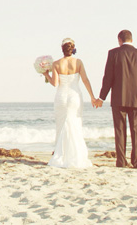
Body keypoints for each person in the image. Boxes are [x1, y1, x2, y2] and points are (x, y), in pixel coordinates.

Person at [42, 38, 100, 168]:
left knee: (62, 125)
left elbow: (55, 83)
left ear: (62, 49)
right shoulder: (78, 62)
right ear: (72, 49)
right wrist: (92, 97)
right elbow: (85, 80)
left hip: (61, 97)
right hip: (74, 96)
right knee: (74, 124)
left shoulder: (56, 64)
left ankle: (61, 155)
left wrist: (46, 74)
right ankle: (75, 155)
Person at [99, 30, 137, 168]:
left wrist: (101, 97)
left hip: (118, 98)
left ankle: (121, 161)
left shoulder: (113, 53)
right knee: (136, 131)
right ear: (131, 39)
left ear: (119, 40)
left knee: (120, 130)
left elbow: (108, 77)